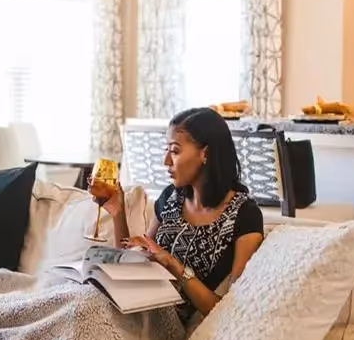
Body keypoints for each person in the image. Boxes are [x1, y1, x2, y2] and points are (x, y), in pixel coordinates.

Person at [90, 107, 264, 319]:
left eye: (174, 151)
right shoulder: (171, 197)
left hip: (162, 323)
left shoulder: (245, 214)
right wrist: (118, 213)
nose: (166, 161)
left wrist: (174, 265)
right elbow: (132, 267)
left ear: (205, 153)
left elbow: (231, 310)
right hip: (130, 305)